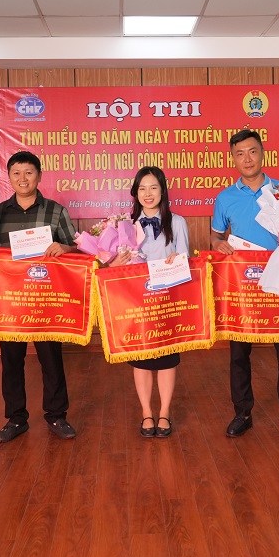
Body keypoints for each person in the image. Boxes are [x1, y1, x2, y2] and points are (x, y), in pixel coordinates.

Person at [210, 129, 279, 438]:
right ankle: (242, 413)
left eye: (252, 151)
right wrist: (217, 244)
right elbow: (216, 236)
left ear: (263, 153)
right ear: (232, 159)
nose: (247, 159)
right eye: (240, 153)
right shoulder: (225, 198)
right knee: (239, 353)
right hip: (242, 286)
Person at [0, 150, 79, 443]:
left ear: (39, 176)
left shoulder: (56, 211)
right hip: (10, 301)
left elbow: (76, 247)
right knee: (11, 360)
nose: (22, 178)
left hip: (45, 298)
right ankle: (16, 418)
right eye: (16, 173)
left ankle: (56, 415)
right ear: (9, 177)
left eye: (29, 172)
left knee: (51, 358)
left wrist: (64, 248)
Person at [109, 166, 189, 438]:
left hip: (167, 301)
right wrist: (115, 263)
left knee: (167, 358)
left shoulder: (177, 222)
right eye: (142, 188)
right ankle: (146, 412)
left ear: (163, 191)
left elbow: (186, 262)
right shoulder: (125, 226)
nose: (148, 193)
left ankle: (164, 412)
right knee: (141, 359)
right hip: (137, 302)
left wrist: (177, 261)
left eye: (153, 187)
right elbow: (115, 268)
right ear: (135, 193)